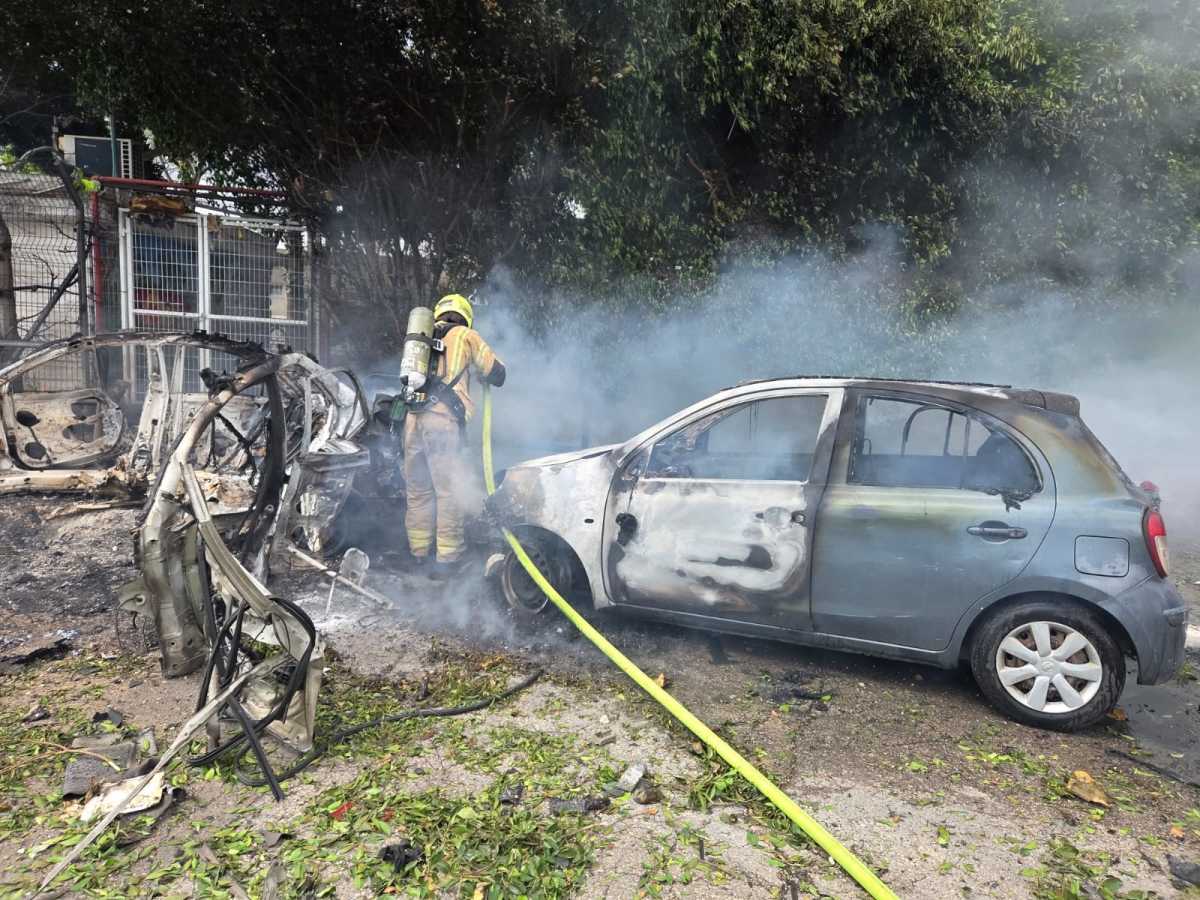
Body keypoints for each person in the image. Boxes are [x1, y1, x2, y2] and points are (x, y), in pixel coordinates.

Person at [403, 293, 506, 577]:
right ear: (464, 315)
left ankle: (418, 555)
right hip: (441, 420)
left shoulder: (422, 338)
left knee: (418, 491)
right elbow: (496, 372)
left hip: (412, 419)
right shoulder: (466, 335)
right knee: (448, 492)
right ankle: (448, 560)